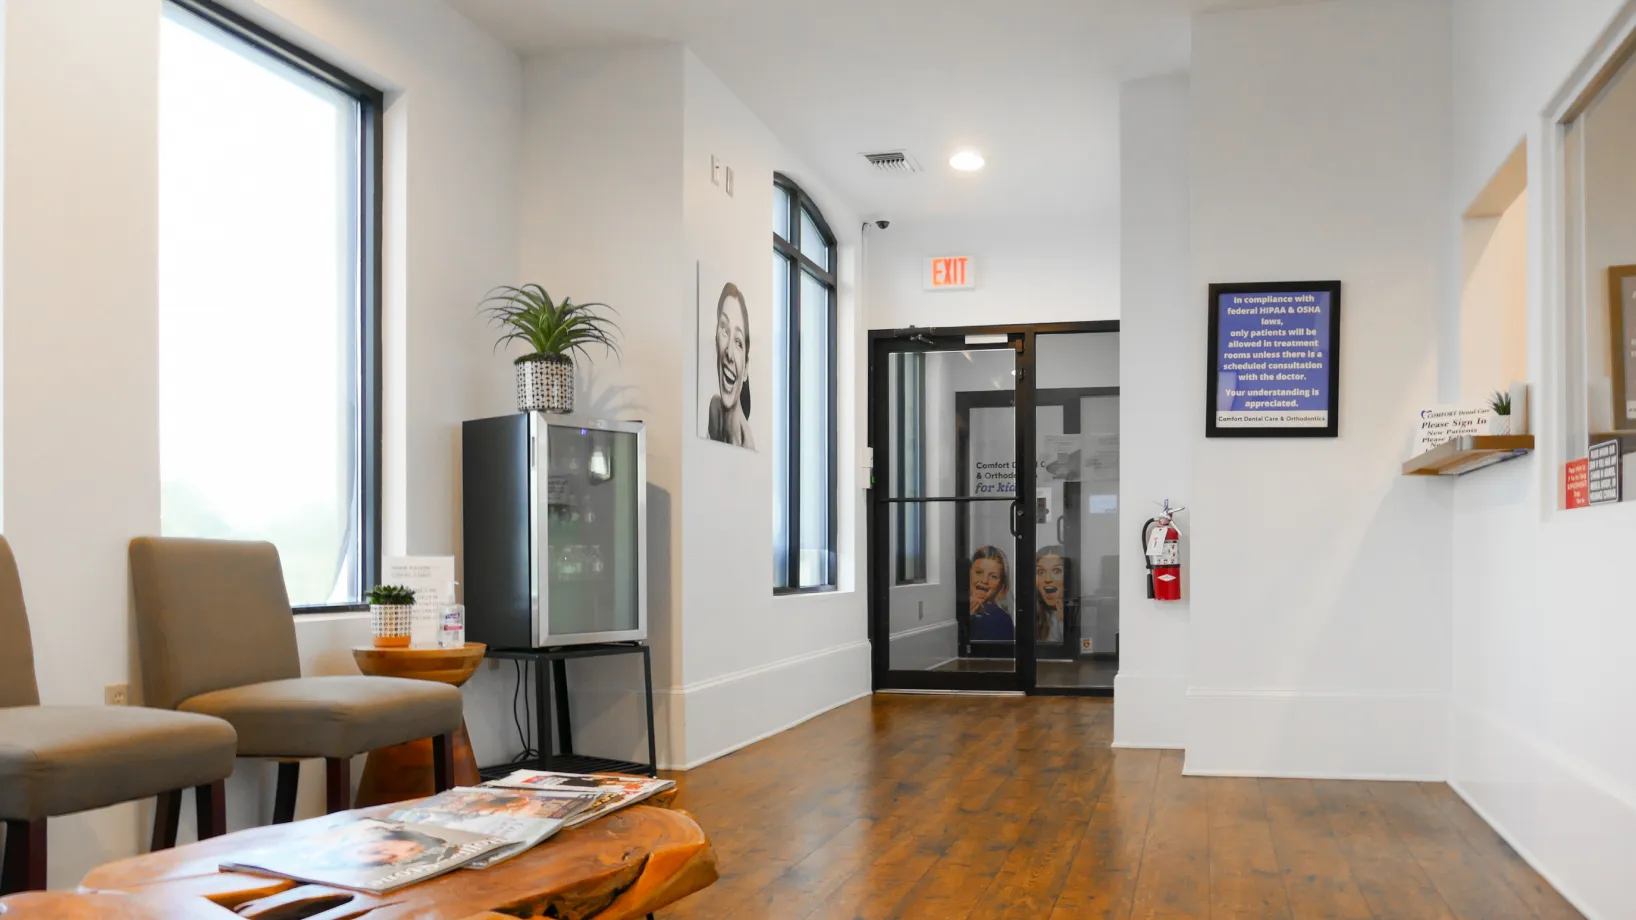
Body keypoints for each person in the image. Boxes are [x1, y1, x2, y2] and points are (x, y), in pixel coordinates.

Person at [707, 282, 754, 448]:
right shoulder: (714, 409)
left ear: (746, 368)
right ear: (715, 340)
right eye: (725, 330)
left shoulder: (747, 445)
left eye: (739, 342)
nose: (729, 353)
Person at [966, 545, 1014, 641]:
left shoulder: (1002, 620)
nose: (984, 581)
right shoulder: (953, 612)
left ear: (1001, 585)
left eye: (993, 576)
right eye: (979, 572)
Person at [1034, 545, 1070, 644]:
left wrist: (1063, 623)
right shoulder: (1033, 615)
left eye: (1057, 571)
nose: (1048, 579)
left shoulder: (1083, 614)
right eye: (1041, 572)